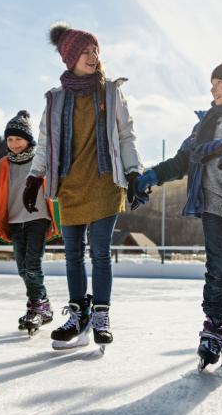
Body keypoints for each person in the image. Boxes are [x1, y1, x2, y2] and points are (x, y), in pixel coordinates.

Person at [134, 53, 222, 368]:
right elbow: (182, 160)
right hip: (214, 206)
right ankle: (213, 327)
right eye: (212, 83)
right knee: (217, 270)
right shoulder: (204, 125)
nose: (213, 89)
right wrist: (151, 176)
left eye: (219, 82)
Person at [24, 23, 143, 352]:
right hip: (70, 185)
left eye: (95, 51)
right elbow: (45, 142)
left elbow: (126, 135)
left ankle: (101, 314)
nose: (93, 56)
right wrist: (34, 177)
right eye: (85, 52)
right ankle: (79, 315)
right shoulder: (55, 99)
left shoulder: (110, 92)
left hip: (105, 182)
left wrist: (134, 172)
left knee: (100, 252)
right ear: (70, 57)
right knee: (73, 255)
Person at [0, 110, 62, 335]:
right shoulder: (0, 166)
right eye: (10, 139)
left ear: (28, 140)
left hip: (39, 218)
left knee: (32, 265)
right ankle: (40, 303)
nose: (14, 143)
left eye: (18, 138)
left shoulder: (42, 160)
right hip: (15, 221)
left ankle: (38, 304)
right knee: (22, 268)